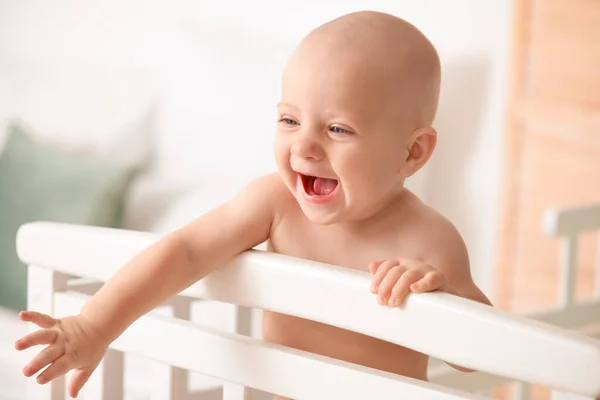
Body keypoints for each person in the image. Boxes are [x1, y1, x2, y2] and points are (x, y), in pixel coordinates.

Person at [15, 10, 492, 399]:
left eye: (337, 129)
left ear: (412, 152)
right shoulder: (276, 203)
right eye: (289, 119)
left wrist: (445, 296)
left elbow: (476, 356)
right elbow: (184, 251)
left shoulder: (429, 241)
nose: (304, 147)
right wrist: (95, 326)